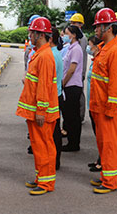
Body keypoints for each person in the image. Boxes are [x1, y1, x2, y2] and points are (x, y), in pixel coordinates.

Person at [17, 17, 59, 196]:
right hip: (35, 110)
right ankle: (41, 178)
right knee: (38, 146)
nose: (30, 35)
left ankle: (46, 183)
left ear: (40, 34)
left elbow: (44, 86)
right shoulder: (40, 54)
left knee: (44, 147)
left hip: (41, 113)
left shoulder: (45, 56)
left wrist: (41, 111)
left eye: (32, 32)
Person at [89, 8, 117, 194]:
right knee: (103, 145)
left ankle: (111, 181)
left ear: (109, 28)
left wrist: (111, 109)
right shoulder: (105, 49)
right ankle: (106, 176)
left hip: (108, 109)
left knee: (110, 145)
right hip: (100, 107)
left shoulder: (115, 51)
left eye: (98, 27)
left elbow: (116, 85)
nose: (96, 30)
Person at [61, 25, 85, 151]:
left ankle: (74, 143)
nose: (64, 35)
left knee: (73, 116)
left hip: (72, 85)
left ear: (74, 35)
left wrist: (63, 83)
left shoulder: (76, 49)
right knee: (69, 115)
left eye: (66, 33)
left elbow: (71, 69)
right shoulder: (71, 48)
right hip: (69, 85)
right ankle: (71, 141)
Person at [86, 35, 103, 173]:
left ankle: (102, 160)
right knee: (97, 133)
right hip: (92, 102)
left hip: (99, 103)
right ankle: (100, 158)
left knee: (101, 134)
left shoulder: (101, 59)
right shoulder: (95, 60)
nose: (88, 48)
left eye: (90, 45)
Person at [69, 12, 88, 123]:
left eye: (74, 23)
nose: (72, 24)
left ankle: (80, 115)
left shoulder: (82, 39)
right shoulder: (75, 37)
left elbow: (78, 53)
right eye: (71, 22)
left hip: (79, 69)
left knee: (79, 92)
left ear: (80, 24)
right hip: (75, 69)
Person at [49, 27, 64, 170]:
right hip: (56, 94)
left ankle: (54, 161)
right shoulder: (55, 53)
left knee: (53, 132)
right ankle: (55, 160)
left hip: (52, 96)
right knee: (55, 131)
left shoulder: (52, 55)